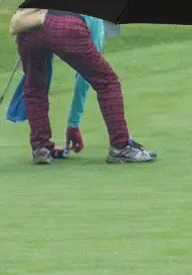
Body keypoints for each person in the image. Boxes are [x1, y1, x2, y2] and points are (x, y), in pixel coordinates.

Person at [13, 10, 156, 165]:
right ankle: (121, 146)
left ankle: (41, 148)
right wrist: (73, 123)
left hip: (27, 28)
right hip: (66, 26)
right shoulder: (92, 9)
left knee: (34, 88)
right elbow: (85, 79)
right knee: (107, 81)